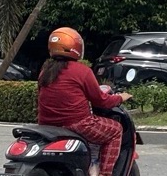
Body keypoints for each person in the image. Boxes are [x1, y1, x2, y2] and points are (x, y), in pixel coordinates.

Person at [37, 27, 132, 176]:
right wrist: (121, 97)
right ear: (76, 47)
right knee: (116, 130)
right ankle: (104, 173)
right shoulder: (82, 71)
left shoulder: (45, 71)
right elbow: (101, 101)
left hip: (46, 125)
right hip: (77, 124)